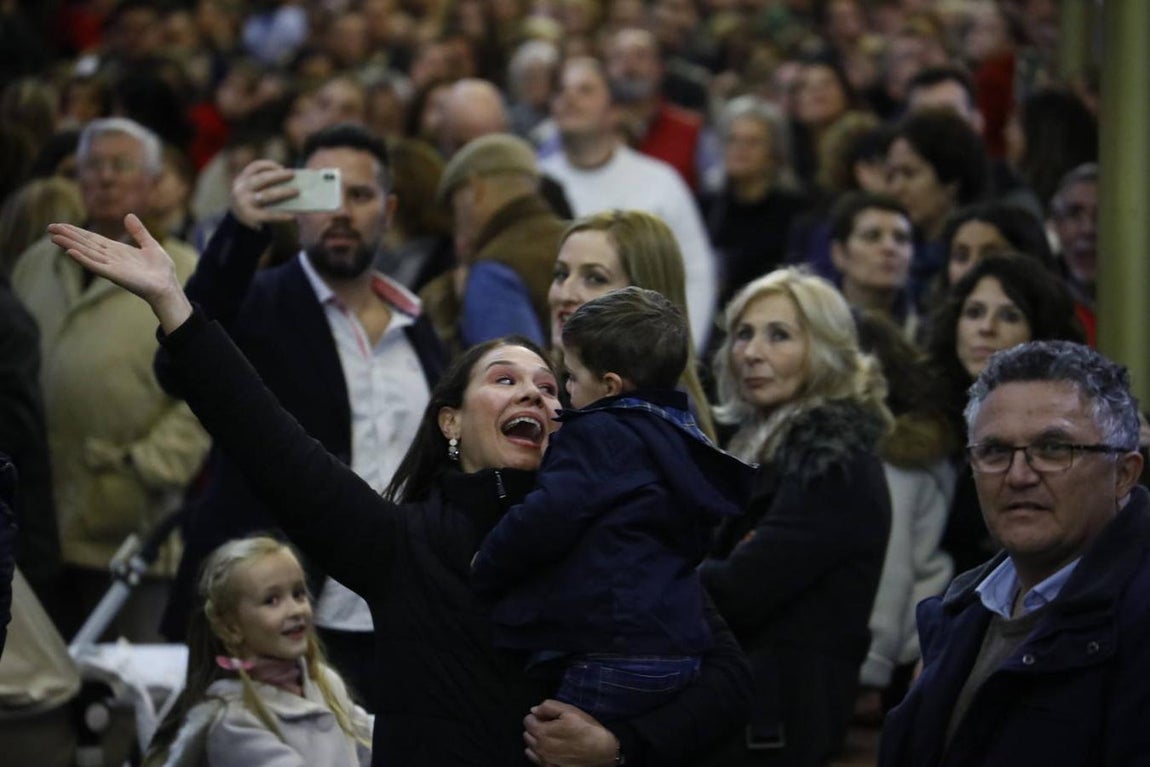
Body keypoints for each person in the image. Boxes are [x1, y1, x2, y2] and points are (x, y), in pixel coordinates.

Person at [48, 213, 752, 766]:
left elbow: (728, 682)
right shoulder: (400, 542)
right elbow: (269, 439)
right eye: (505, 380)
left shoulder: (622, 523)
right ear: (451, 421)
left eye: (549, 384)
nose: (536, 392)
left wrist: (620, 743)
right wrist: (176, 305)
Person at [157, 123, 445, 711]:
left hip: (394, 616)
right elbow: (176, 365)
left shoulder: (420, 327)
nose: (342, 212)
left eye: (361, 196)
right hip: (275, 612)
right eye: (325, 193)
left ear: (389, 210)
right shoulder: (257, 300)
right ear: (296, 206)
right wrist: (240, 232)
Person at [472, 287, 753, 720]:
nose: (564, 393)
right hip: (680, 651)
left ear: (609, 386)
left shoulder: (600, 433)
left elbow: (550, 515)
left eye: (570, 378)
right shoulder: (681, 439)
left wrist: (487, 562)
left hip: (614, 650)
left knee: (546, 737)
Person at [878, 341, 1150, 766]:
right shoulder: (961, 609)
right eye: (995, 452)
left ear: (1123, 475)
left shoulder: (1138, 616)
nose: (1019, 475)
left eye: (1055, 449)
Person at [11, 117, 208, 642]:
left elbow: (208, 391)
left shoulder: (182, 271)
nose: (104, 178)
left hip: (131, 523)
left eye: (120, 166)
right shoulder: (36, 263)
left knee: (124, 685)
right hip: (37, 518)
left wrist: (146, 467)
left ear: (150, 181)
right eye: (92, 166)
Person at [700, 267, 893, 766]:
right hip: (738, 712)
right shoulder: (749, 448)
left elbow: (737, 590)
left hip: (777, 728)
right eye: (743, 333)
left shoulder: (834, 464)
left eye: (779, 335)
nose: (751, 352)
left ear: (826, 350)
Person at [143, 537, 372, 767]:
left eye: (299, 594)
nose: (295, 610)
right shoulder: (235, 722)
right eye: (272, 600)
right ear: (232, 627)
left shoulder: (325, 683)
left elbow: (372, 742)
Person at [539, 56, 717, 349]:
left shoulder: (660, 180)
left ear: (614, 111)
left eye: (585, 90)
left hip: (643, 352)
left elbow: (695, 272)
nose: (569, 98)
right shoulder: (536, 181)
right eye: (560, 90)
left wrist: (684, 351)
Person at [927, 255, 1084, 576]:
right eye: (974, 313)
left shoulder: (1078, 427)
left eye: (1009, 316)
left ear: (1040, 332)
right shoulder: (924, 422)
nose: (986, 328)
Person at [549, 210, 717, 439]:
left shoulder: (665, 423)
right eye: (561, 274)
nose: (564, 293)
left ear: (644, 299)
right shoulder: (538, 385)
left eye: (595, 278)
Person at [421, 133, 568, 354]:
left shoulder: (494, 269)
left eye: (455, 207)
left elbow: (511, 374)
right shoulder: (576, 239)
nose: (456, 224)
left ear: (475, 189)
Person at [828, 192, 917, 340]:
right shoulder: (810, 327)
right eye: (872, 237)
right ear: (839, 254)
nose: (890, 248)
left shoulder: (929, 335)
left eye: (901, 239)